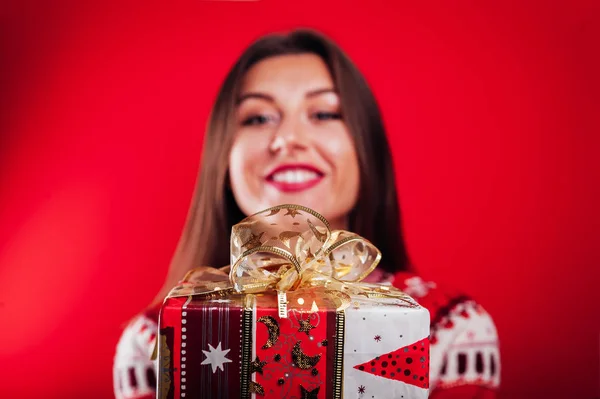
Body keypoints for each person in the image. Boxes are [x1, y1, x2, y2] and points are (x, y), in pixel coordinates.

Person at [113, 29, 501, 399]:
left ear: (367, 149)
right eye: (258, 118)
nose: (288, 140)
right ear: (223, 157)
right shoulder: (153, 341)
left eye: (325, 113)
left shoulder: (450, 329)